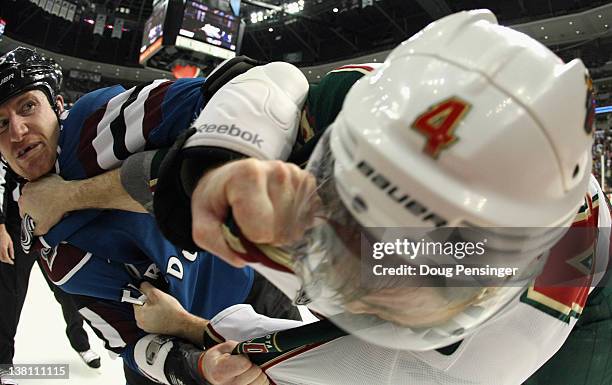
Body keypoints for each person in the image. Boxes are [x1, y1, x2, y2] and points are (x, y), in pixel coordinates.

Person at [17, 9, 611, 385]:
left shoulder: (500, 343)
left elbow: (304, 364)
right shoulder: (393, 116)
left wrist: (198, 335)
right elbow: (276, 85)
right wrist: (219, 153)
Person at [0, 46, 306, 385]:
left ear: (58, 107)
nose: (17, 132)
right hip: (196, 342)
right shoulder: (52, 248)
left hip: (254, 290)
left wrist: (69, 196)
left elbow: (246, 83)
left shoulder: (99, 122)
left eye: (28, 106)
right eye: (0, 124)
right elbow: (131, 342)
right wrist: (196, 365)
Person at [0, 168, 100, 385]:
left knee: (68, 289)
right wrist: (0, 228)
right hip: (14, 225)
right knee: (10, 299)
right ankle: (4, 366)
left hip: (50, 221)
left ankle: (81, 342)